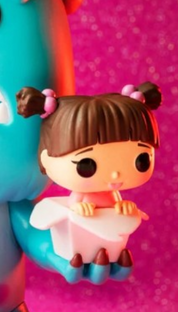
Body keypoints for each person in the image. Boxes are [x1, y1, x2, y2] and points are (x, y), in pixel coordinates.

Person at [16, 82, 162, 216]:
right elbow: (72, 209)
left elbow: (115, 207)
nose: (115, 175)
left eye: (141, 160)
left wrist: (123, 206)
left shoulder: (112, 194)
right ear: (46, 158)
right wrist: (77, 208)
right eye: (86, 165)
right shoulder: (79, 196)